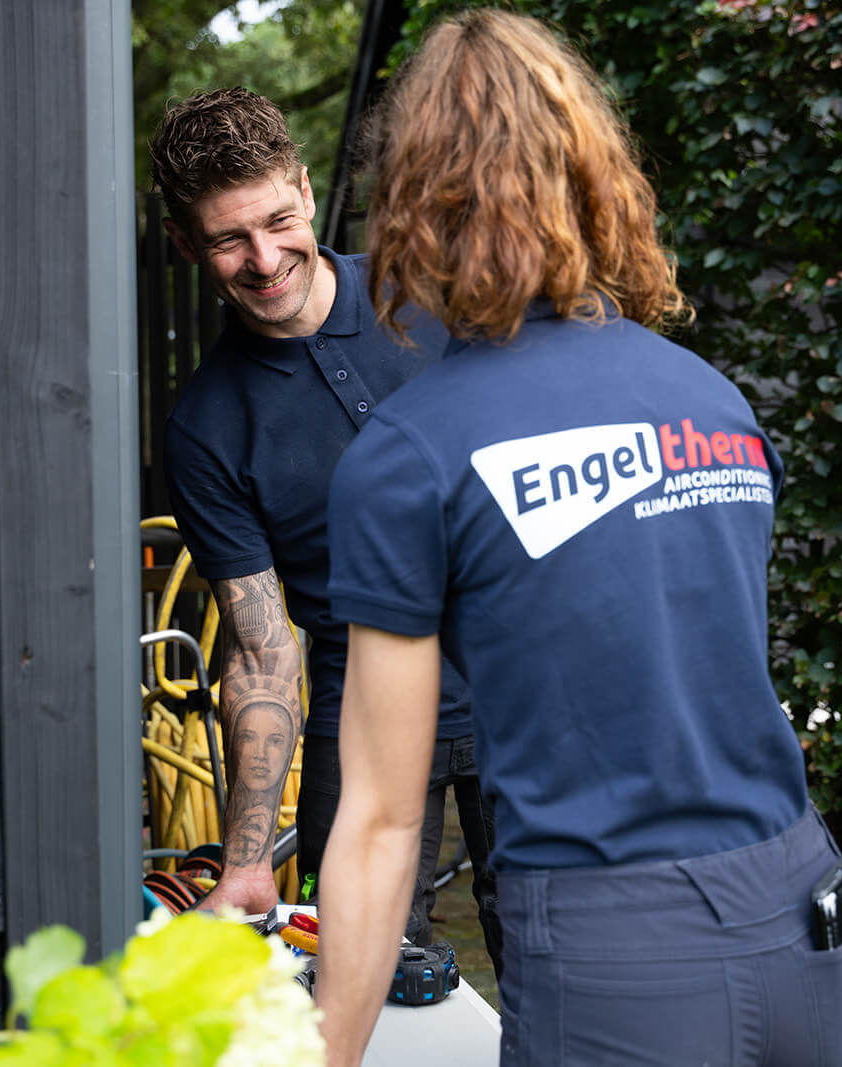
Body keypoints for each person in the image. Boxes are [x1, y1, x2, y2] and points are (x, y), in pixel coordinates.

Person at [313, 10, 842, 1066]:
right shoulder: (711, 399)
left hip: (624, 963)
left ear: (416, 203)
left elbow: (388, 820)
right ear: (590, 175)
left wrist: (324, 1052)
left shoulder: (407, 455)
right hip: (812, 923)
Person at [149, 88, 500, 967]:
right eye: (229, 239)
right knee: (361, 986)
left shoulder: (429, 293)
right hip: (366, 730)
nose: (265, 260)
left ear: (305, 191)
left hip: (525, 693)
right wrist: (243, 861)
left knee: (570, 969)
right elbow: (264, 651)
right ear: (189, 244)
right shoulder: (205, 426)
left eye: (276, 219)